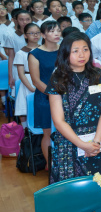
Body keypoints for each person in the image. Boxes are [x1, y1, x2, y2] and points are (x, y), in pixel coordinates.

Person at [46, 32, 101, 183]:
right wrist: (83, 145)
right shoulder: (57, 79)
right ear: (65, 54)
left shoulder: (99, 75)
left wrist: (95, 142)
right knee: (73, 190)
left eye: (85, 49)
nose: (82, 55)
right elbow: (58, 121)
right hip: (70, 141)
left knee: (100, 186)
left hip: (98, 138)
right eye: (75, 51)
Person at [28, 21, 60, 168]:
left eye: (58, 30)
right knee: (48, 133)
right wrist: (53, 94)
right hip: (45, 98)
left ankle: (65, 163)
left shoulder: (65, 50)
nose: (56, 33)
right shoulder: (35, 54)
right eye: (52, 31)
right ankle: (51, 165)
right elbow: (36, 81)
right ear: (43, 35)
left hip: (65, 96)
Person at [14, 23, 39, 123]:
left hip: (42, 80)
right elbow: (21, 74)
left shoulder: (44, 49)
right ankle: (25, 129)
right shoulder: (21, 53)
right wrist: (31, 88)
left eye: (37, 33)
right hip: (28, 82)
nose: (35, 35)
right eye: (32, 33)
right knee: (24, 109)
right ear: (25, 35)